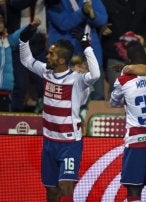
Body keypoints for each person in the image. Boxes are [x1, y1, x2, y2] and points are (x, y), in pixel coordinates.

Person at [19, 19, 100, 201]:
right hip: (49, 141)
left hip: (70, 142)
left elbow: (95, 74)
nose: (47, 57)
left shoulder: (77, 79)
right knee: (52, 191)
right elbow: (26, 59)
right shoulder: (46, 72)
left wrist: (86, 45)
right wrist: (25, 38)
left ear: (62, 60)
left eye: (52, 55)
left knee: (66, 186)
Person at [110, 41, 146, 202]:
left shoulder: (123, 81)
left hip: (137, 141)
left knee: (133, 189)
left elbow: (114, 102)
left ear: (128, 59)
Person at [46, 0, 108, 100]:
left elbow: (103, 19)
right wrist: (83, 12)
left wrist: (93, 15)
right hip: (65, 58)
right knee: (64, 98)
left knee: (96, 96)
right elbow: (64, 23)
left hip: (91, 54)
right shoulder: (55, 2)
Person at [101, 0, 146, 95]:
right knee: (117, 91)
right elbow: (99, 22)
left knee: (141, 92)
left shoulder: (145, 2)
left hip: (140, 57)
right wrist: (102, 28)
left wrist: (144, 37)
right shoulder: (106, 2)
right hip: (115, 55)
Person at [0, 8, 28, 111]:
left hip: (5, 92)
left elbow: (18, 36)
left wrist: (31, 26)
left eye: (1, 21)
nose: (0, 24)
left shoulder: (7, 40)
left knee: (3, 123)